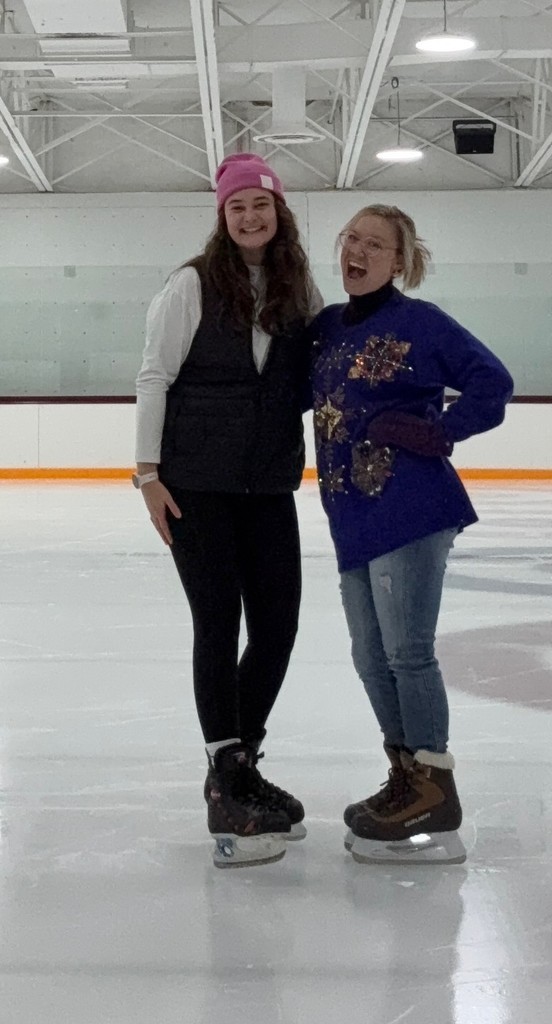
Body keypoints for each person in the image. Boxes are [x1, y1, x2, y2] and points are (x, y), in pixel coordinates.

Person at [310, 204, 513, 865]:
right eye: (351, 240)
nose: (358, 251)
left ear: (400, 261)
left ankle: (433, 784)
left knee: (406, 652)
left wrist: (444, 430)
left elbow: (493, 380)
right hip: (350, 515)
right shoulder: (326, 331)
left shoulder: (420, 324)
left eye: (375, 244)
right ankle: (406, 778)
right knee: (371, 657)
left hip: (412, 507)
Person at [134, 153, 321, 868]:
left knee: (277, 625)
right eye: (237, 207)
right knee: (218, 622)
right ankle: (226, 773)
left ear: (279, 214)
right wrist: (147, 474)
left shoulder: (294, 284)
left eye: (261, 206)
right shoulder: (191, 283)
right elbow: (155, 375)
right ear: (222, 215)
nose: (250, 217)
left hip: (269, 483)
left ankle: (237, 767)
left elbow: (297, 380)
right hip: (197, 484)